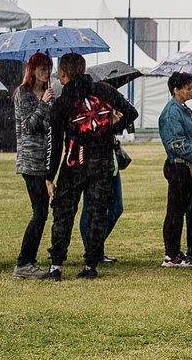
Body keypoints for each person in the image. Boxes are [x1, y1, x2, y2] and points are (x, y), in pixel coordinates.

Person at [43, 54, 137, 281]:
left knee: (64, 213)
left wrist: (49, 176)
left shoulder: (63, 103)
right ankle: (90, 265)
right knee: (97, 214)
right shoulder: (104, 91)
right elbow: (131, 113)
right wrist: (112, 126)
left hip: (74, 163)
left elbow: (55, 143)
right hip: (102, 163)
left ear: (63, 75)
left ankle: (56, 266)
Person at [159, 72, 192, 267]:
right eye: (188, 88)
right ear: (176, 90)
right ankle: (170, 255)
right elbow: (176, 144)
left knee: (179, 210)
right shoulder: (172, 112)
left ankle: (175, 252)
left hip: (185, 167)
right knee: (174, 211)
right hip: (177, 166)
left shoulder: (184, 110)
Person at [12, 53, 58, 278]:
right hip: (30, 161)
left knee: (42, 212)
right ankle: (24, 262)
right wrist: (43, 104)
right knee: (39, 212)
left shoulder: (49, 94)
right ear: (31, 70)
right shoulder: (23, 94)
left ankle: (28, 259)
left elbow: (51, 124)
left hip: (46, 158)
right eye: (40, 68)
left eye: (48, 67)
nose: (45, 72)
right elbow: (29, 125)